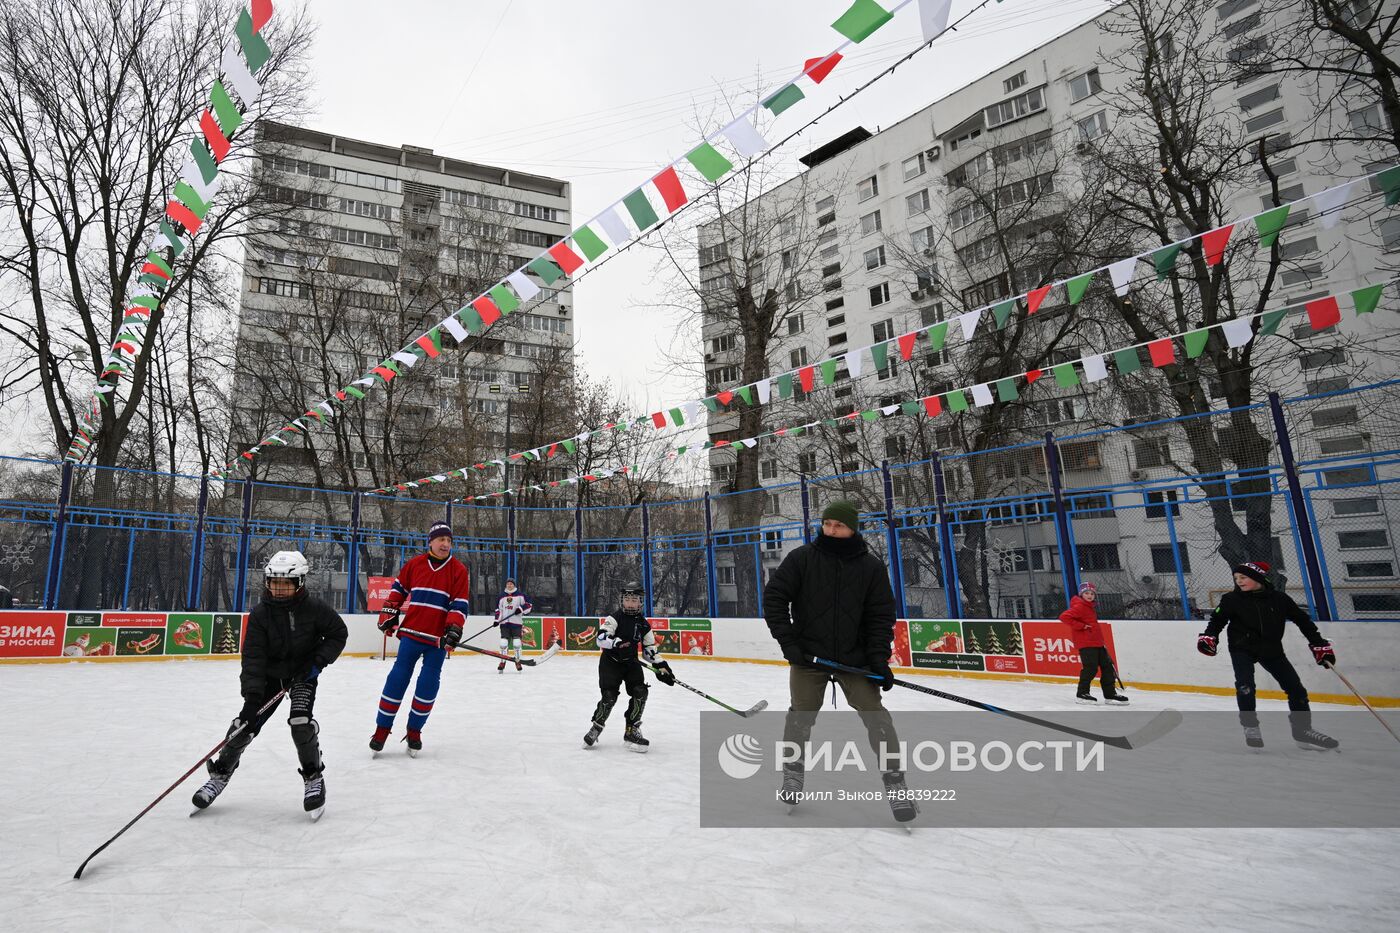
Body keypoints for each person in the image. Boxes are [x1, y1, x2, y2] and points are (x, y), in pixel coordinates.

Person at [762, 500, 916, 823]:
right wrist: (790, 644)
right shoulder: (802, 559)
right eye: (827, 523)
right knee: (800, 716)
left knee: (876, 717)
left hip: (854, 659)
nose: (831, 530)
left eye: (839, 525)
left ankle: (895, 781)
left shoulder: (871, 568)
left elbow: (880, 616)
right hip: (808, 655)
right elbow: (774, 598)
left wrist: (878, 659)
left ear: (852, 528)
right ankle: (793, 772)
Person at [192, 551, 347, 818]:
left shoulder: (315, 608)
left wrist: (316, 663)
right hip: (270, 678)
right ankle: (220, 774)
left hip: (303, 675)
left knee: (300, 722)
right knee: (242, 727)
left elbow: (338, 634)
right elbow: (253, 657)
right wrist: (252, 699)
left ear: (299, 582)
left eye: (286, 583)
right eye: (274, 582)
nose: (279, 588)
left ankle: (313, 777)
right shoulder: (261, 614)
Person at [1198, 560, 1338, 751]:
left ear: (1257, 578)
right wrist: (1209, 637)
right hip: (1242, 648)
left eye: (1243, 577)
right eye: (1236, 578)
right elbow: (1217, 620)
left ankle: (1303, 731)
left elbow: (1303, 621)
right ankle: (1250, 725)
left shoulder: (1279, 599)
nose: (1239, 581)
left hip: (1271, 649)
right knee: (1245, 686)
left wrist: (1319, 645)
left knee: (1296, 690)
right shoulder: (1232, 599)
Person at [371, 522, 471, 756]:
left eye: (449, 540)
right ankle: (382, 728)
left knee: (428, 682)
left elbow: (460, 604)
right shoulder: (414, 564)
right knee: (397, 678)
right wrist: (389, 611)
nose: (445, 544)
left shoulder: (458, 570)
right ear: (431, 542)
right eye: (441, 540)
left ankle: (414, 730)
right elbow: (398, 590)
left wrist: (453, 628)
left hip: (437, 639)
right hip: (412, 634)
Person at [583, 581, 675, 752]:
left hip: (631, 663)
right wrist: (617, 644)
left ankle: (631, 730)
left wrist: (662, 667)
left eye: (634, 600)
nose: (630, 603)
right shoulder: (614, 618)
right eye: (627, 599)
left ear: (641, 602)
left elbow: (649, 650)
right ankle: (596, 727)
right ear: (622, 601)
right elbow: (600, 638)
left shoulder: (643, 624)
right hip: (611, 663)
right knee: (609, 696)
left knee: (640, 691)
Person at [1059, 582, 1128, 705]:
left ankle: (1110, 695)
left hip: (1097, 642)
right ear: (1081, 594)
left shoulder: (1089, 607)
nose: (1090, 595)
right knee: (1090, 668)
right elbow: (1064, 616)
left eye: (1092, 593)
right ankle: (1082, 694)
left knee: (1107, 667)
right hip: (1086, 643)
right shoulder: (1080, 606)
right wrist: (1081, 626)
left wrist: (1101, 642)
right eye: (1086, 593)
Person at [494, 577, 533, 673]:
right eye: (508, 584)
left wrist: (521, 609)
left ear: (514, 585)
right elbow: (498, 610)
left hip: (516, 623)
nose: (509, 585)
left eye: (511, 584)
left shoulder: (520, 595)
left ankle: (517, 661)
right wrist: (496, 620)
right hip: (504, 624)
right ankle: (502, 662)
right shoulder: (501, 596)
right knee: (503, 644)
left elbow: (529, 605)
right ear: (506, 585)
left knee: (517, 644)